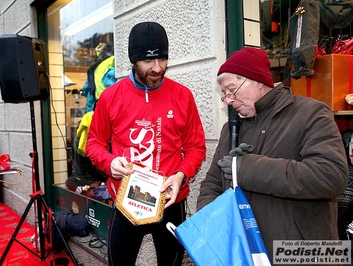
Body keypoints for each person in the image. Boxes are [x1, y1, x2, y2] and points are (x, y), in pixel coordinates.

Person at [196, 47, 349, 260]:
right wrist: (213, 224)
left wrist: (247, 167)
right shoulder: (231, 128)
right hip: (246, 252)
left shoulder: (311, 113)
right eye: (224, 94)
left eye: (232, 90)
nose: (229, 100)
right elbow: (212, 184)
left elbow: (331, 176)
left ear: (258, 81)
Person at [86, 22, 206, 266]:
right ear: (133, 60)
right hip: (126, 200)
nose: (157, 68)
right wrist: (110, 163)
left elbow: (196, 147)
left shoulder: (182, 96)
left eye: (163, 59)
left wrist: (182, 174)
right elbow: (94, 144)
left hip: (170, 200)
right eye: (148, 62)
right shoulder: (110, 97)